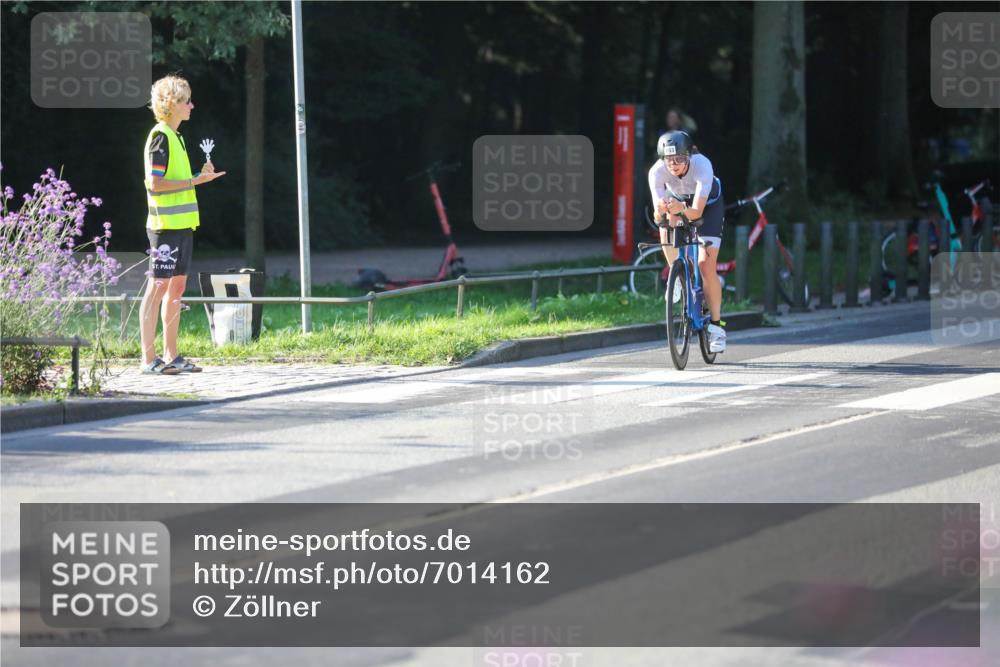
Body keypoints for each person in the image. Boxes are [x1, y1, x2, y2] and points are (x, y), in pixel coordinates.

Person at [140, 75, 226, 374]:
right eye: (186, 100)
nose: (192, 105)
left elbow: (173, 181)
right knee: (157, 288)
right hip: (164, 227)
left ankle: (171, 356)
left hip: (182, 226)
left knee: (175, 290)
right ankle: (149, 359)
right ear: (172, 104)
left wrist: (197, 177)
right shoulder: (161, 136)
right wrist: (194, 180)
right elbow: (155, 184)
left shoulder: (176, 137)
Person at [648, 130, 727, 353]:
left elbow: (696, 212)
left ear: (689, 155)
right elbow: (657, 214)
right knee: (665, 223)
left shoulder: (702, 165)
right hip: (679, 202)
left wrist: (681, 209)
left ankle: (717, 327)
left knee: (705, 265)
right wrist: (661, 211)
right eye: (669, 160)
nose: (674, 165)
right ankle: (677, 275)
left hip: (707, 206)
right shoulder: (656, 172)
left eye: (680, 159)